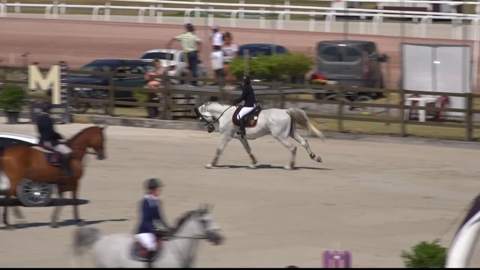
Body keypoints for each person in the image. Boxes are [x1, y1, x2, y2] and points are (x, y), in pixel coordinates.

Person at [134, 178, 172, 268]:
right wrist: (155, 229)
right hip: (144, 231)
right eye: (158, 189)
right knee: (152, 245)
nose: (160, 191)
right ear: (153, 190)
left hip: (152, 230)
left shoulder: (156, 202)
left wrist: (167, 228)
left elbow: (160, 218)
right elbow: (145, 219)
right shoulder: (145, 203)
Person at [36, 102, 73, 177]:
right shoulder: (48, 119)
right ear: (48, 110)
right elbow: (51, 132)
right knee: (68, 151)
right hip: (49, 141)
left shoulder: (39, 118)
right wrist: (59, 136)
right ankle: (65, 171)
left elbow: (39, 131)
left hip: (42, 140)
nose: (51, 111)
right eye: (50, 109)